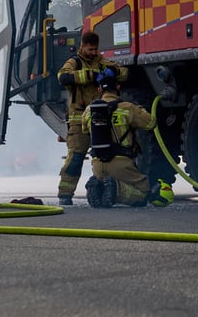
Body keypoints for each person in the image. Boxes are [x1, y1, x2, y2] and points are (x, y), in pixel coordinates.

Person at [55, 31, 127, 205]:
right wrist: (90, 76)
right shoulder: (74, 62)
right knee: (76, 156)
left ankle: (104, 191)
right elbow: (62, 77)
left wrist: (113, 70)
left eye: (96, 49)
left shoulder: (101, 62)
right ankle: (65, 194)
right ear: (82, 46)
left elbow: (124, 73)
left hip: (99, 118)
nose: (94, 52)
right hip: (79, 118)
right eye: (90, 49)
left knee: (105, 156)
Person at [81, 69, 172, 207]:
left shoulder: (89, 111)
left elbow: (84, 129)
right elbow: (151, 123)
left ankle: (97, 188)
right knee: (143, 193)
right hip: (122, 164)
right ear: (118, 87)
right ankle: (115, 189)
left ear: (99, 89)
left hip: (97, 164)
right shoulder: (128, 108)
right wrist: (140, 109)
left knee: (104, 180)